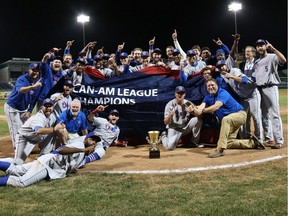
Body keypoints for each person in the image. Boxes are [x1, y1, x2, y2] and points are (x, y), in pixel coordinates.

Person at [189, 78, 265, 158]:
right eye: (208, 86)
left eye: (212, 85)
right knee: (228, 142)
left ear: (217, 85)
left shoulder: (222, 93)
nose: (211, 87)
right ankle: (253, 143)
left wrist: (203, 111)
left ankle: (220, 150)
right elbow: (201, 107)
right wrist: (193, 109)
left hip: (239, 115)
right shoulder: (207, 97)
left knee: (225, 120)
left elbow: (216, 107)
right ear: (206, 88)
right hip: (231, 120)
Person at [0, 132, 101, 187]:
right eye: (92, 139)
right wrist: (83, 150)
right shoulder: (80, 144)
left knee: (16, 170)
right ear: (86, 138)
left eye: (95, 142)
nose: (93, 142)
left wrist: (71, 169)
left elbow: (72, 163)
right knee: (22, 182)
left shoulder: (83, 156)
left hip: (46, 161)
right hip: (46, 165)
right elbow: (61, 149)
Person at [10, 98, 66, 165]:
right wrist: (54, 129)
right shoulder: (39, 117)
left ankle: (44, 155)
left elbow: (59, 126)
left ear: (53, 107)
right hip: (25, 138)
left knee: (54, 132)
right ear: (42, 107)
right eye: (46, 106)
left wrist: (61, 127)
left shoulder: (52, 117)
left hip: (37, 137)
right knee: (18, 163)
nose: (48, 108)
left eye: (50, 106)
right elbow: (38, 131)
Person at [253, 39, 287, 149]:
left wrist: (273, 49)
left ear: (265, 46)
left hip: (270, 88)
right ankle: (269, 138)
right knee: (264, 115)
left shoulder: (272, 56)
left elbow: (283, 60)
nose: (260, 48)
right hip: (260, 89)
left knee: (274, 114)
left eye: (262, 45)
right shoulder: (256, 62)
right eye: (258, 46)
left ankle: (279, 140)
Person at [4, 63, 42, 149]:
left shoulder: (37, 82)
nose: (35, 72)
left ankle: (23, 147)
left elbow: (34, 99)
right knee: (15, 130)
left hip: (23, 109)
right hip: (12, 108)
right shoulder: (22, 79)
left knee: (25, 128)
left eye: (37, 71)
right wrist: (32, 87)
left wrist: (29, 111)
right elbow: (20, 90)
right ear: (29, 70)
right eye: (33, 70)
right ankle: (17, 150)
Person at [160, 86, 202, 150]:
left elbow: (200, 115)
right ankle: (163, 136)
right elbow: (165, 122)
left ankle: (193, 143)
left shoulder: (188, 103)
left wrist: (192, 112)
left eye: (182, 93)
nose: (180, 95)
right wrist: (170, 116)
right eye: (178, 93)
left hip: (184, 128)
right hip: (173, 128)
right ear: (175, 94)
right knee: (170, 148)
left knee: (197, 119)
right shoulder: (170, 105)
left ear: (184, 94)